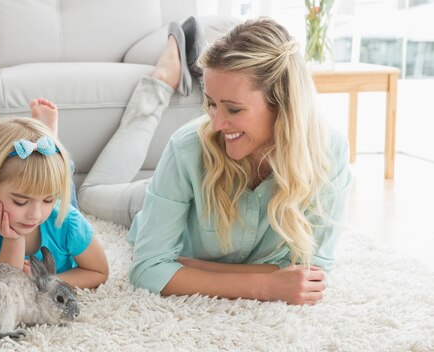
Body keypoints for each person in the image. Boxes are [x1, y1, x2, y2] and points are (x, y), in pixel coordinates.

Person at [78, 17, 352, 305]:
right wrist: (265, 285)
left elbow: (310, 276)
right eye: (211, 103)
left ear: (282, 103)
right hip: (148, 199)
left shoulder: (327, 153)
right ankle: (160, 82)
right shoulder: (187, 148)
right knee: (88, 195)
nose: (217, 123)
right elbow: (148, 270)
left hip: (178, 194)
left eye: (233, 109)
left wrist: (190, 267)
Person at [0, 100, 108, 289]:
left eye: (48, 199)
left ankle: (41, 146)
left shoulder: (68, 220)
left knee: (64, 184)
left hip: (56, 211)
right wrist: (13, 240)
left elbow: (99, 272)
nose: (35, 214)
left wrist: (45, 282)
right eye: (21, 202)